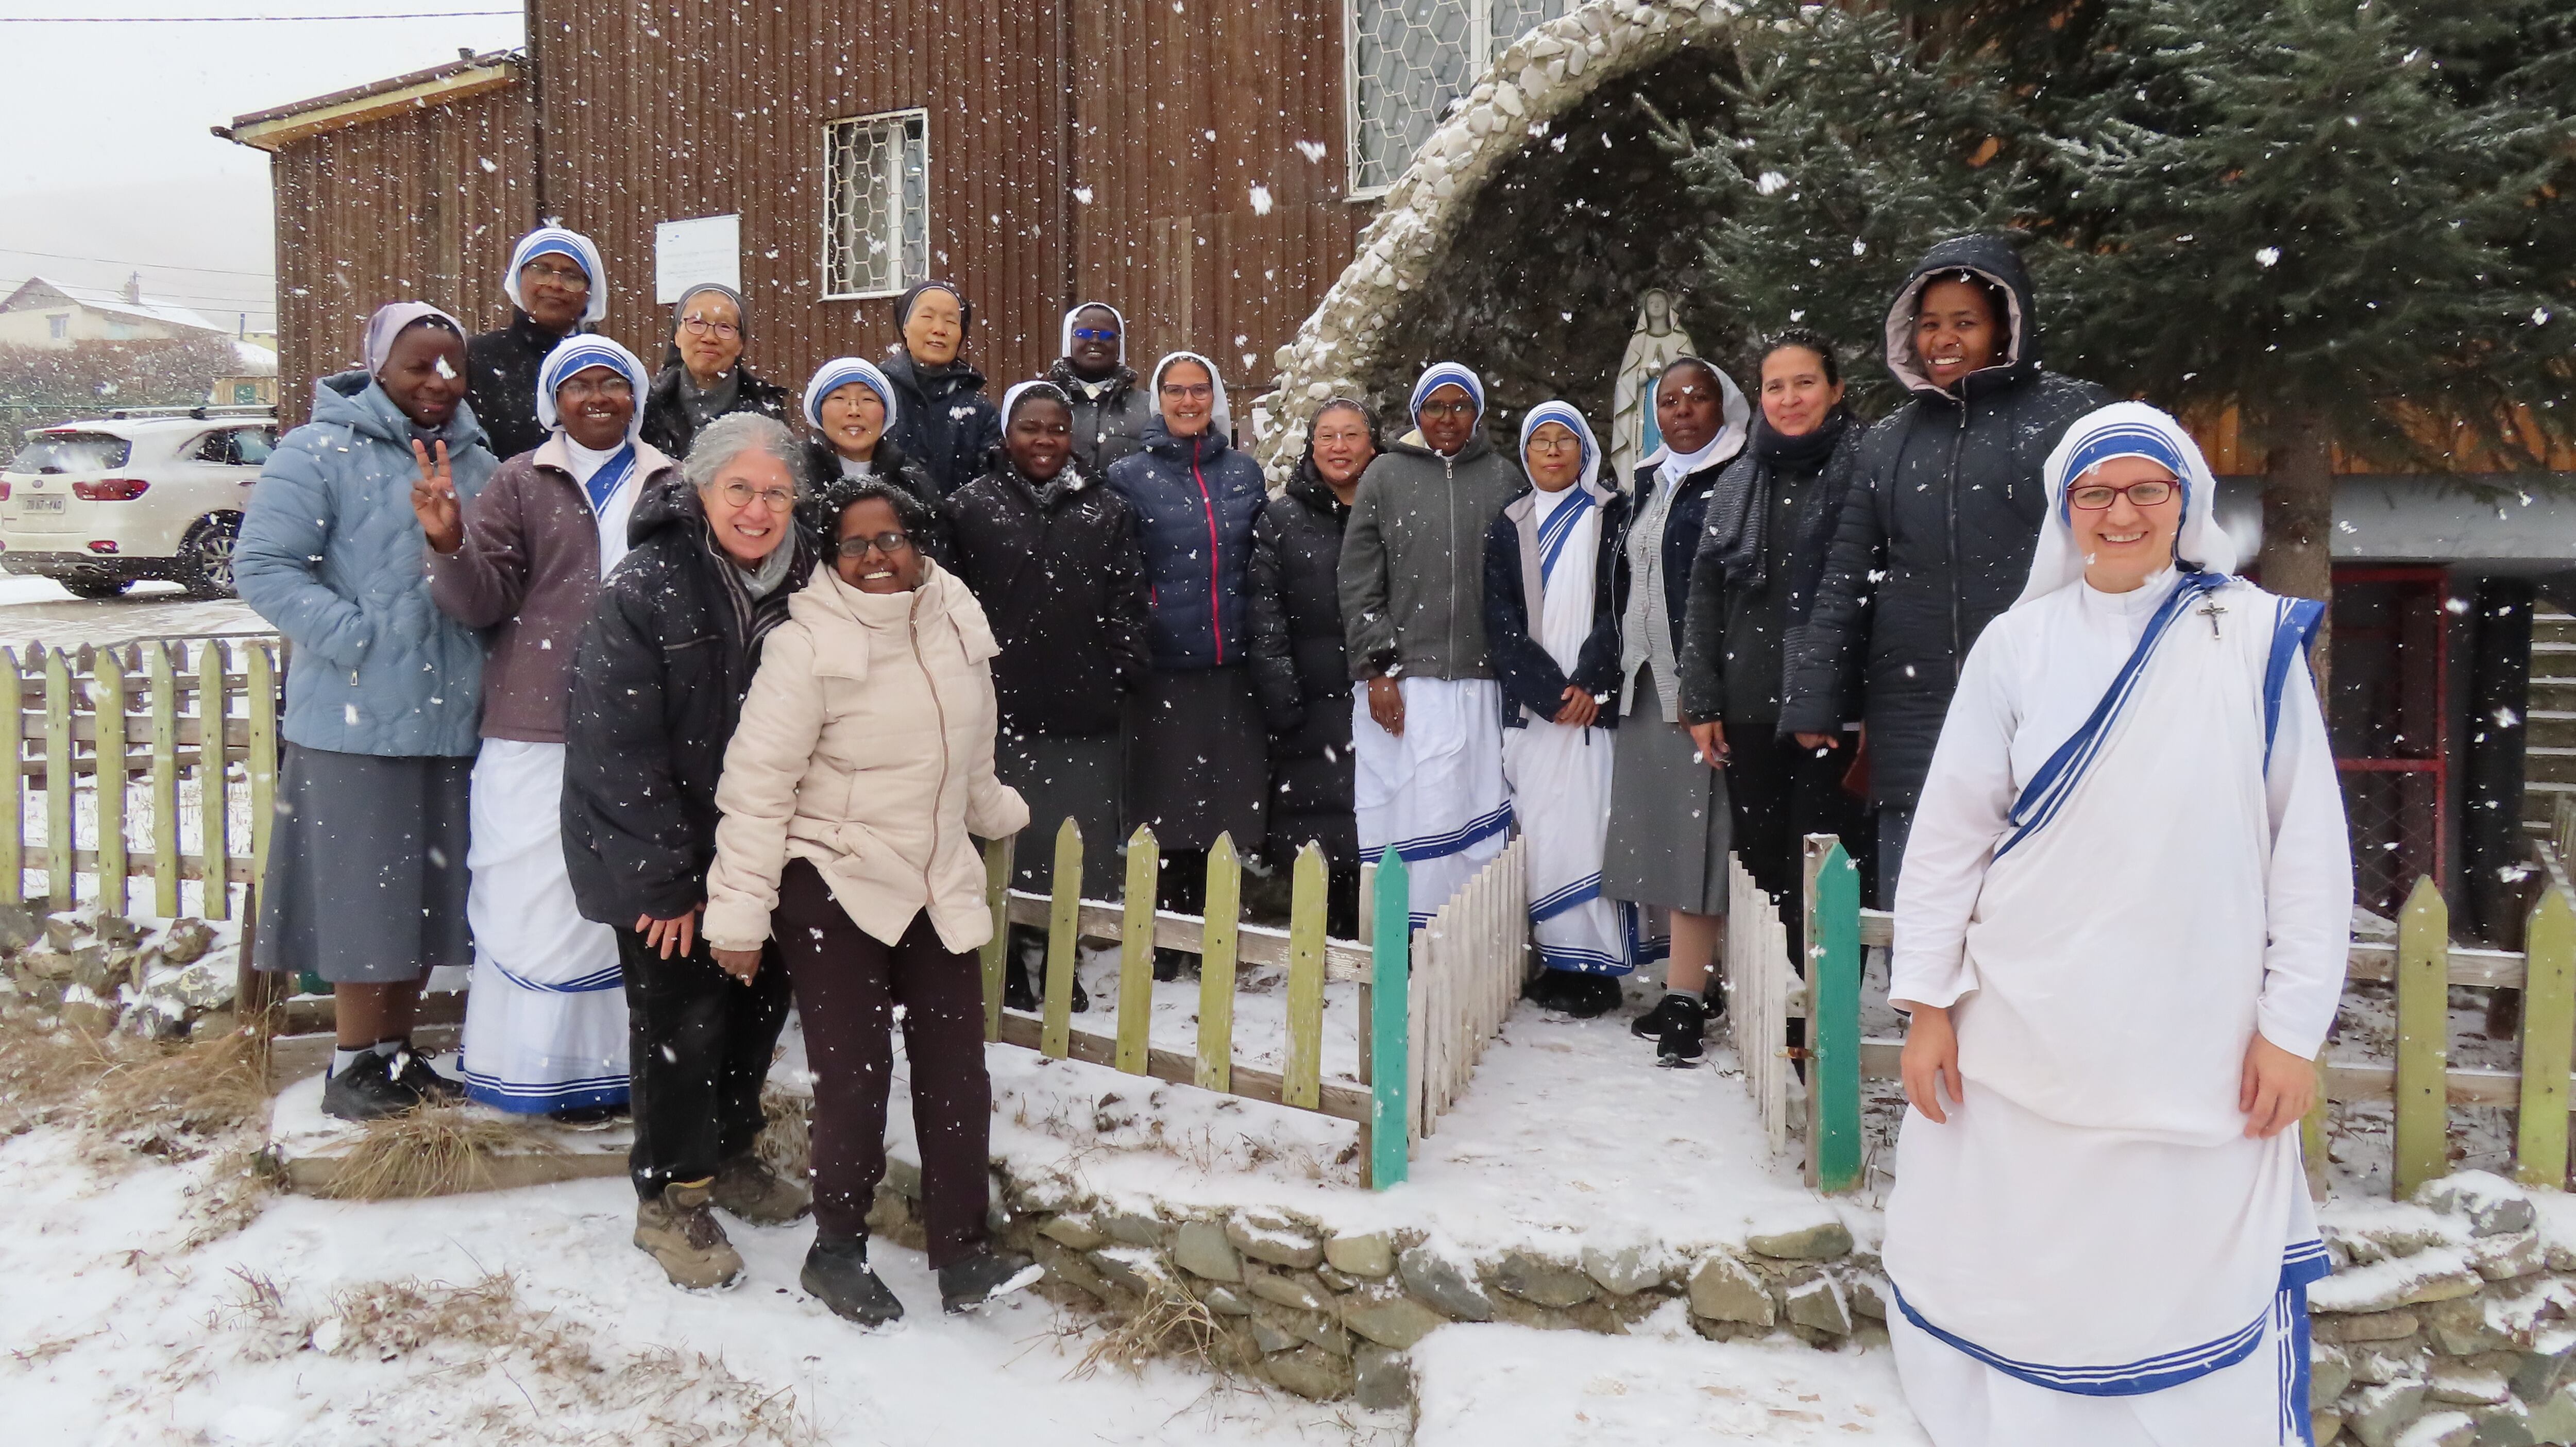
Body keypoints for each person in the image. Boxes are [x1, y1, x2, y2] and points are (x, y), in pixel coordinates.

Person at [1882, 402, 2347, 1445]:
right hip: (2022, 1032)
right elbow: (1951, 835)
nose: (2121, 511)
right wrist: (1928, 1007)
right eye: (2096, 491)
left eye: (2147, 488)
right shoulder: (2018, 645)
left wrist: (2291, 1028)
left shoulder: (2251, 636)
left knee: (2171, 1278)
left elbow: (2307, 850)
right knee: (2018, 1264)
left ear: (2185, 501)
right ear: (2065, 510)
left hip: (2196, 1040)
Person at [702, 480, 1043, 1326]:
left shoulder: (954, 619)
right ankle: (836, 1248)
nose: (876, 557)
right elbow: (756, 789)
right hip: (834, 870)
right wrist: (741, 912)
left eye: (889, 538)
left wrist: (990, 803)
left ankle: (961, 1252)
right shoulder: (803, 644)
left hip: (931, 870)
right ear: (828, 557)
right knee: (857, 1069)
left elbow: (968, 739)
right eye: (853, 545)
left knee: (957, 1068)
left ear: (918, 541)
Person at [563, 413, 819, 1292]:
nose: (757, 508)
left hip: (767, 844)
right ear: (700, 492)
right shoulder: (647, 584)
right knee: (679, 1022)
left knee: (754, 1005)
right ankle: (669, 1195)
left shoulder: (808, 584)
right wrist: (667, 881)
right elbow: (616, 744)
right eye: (738, 489)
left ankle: (732, 1149)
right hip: (662, 846)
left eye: (776, 491)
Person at [1780, 236, 2112, 906]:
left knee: (2040, 902)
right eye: (1930, 323)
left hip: (2045, 696)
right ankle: (1921, 1015)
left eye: (1965, 322)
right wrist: (1815, 694)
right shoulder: (1888, 443)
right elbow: (1847, 575)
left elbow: (2118, 542)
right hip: (1916, 708)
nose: (1944, 339)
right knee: (1924, 901)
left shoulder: (2069, 415)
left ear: (2003, 326)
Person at [234, 302, 495, 1121]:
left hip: (453, 716)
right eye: (420, 364)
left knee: (425, 892)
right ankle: (353, 1061)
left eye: (452, 367)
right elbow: (265, 567)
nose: (438, 382)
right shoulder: (318, 451)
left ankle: (396, 1052)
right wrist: (356, 638)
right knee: (364, 892)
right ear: (380, 366)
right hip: (354, 717)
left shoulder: (481, 462)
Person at [421, 334, 662, 1122]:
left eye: (614, 384)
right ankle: (525, 1067)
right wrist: (449, 541)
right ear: (552, 401)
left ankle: (614, 1070)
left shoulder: (672, 481)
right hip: (534, 722)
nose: (598, 397)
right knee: (533, 891)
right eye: (579, 385)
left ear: (636, 397)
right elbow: (479, 602)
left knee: (614, 899)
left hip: (639, 722)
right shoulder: (520, 481)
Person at [946, 380, 1151, 1009]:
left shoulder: (1105, 508)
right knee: (997, 843)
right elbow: (948, 605)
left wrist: (1119, 669)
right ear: (1006, 434)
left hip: (1080, 710)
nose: (1044, 441)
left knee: (1072, 848)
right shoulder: (969, 507)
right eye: (1030, 428)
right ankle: (1003, 959)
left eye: (1056, 429)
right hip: (994, 711)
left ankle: (1063, 963)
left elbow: (1129, 600)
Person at [1677, 329, 1870, 971]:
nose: (1789, 399)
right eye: (1774, 387)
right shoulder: (1738, 482)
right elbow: (1704, 600)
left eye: (1805, 383)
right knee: (1762, 864)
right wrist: (1700, 697)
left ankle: (1823, 1007)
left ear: (1836, 389)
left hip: (1834, 710)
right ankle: (1777, 1011)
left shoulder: (1867, 472)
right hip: (1748, 703)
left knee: (1828, 865)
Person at [1601, 356, 1752, 1065]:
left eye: (1698, 397)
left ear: (1725, 407)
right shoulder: (1648, 484)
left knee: (1701, 840)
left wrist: (1707, 688)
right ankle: (1695, 982)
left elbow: (1730, 592)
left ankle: (1688, 997)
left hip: (1698, 689)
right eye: (1669, 400)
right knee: (1667, 837)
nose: (1684, 410)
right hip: (1645, 682)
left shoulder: (1737, 479)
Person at [1337, 363, 1522, 928]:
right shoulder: (1385, 476)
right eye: (1435, 406)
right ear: (1416, 412)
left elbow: (1519, 585)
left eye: (1459, 405)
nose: (1447, 418)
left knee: (1473, 816)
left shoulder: (1503, 479)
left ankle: (1469, 939)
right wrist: (1378, 669)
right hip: (1404, 683)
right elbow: (1360, 578)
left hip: (1480, 681)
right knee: (1409, 813)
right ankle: (1408, 938)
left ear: (1478, 413)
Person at [1105, 352, 1270, 969]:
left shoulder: (1244, 474)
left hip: (1231, 662)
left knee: (1225, 801)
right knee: (1163, 804)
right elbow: (1121, 569)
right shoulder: (1129, 475)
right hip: (1164, 663)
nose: (1187, 401)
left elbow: (1259, 562)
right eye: (1174, 390)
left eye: (1198, 390)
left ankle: (1217, 933)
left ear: (1215, 398)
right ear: (1159, 399)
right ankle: (1167, 936)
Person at [1482, 402, 1633, 1014]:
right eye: (1539, 440)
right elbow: (1500, 619)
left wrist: (1591, 683)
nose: (1550, 450)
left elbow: (1620, 604)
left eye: (1562, 440)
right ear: (1524, 452)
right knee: (1545, 833)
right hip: (1538, 710)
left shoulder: (1611, 515)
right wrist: (1547, 692)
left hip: (1591, 709)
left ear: (1584, 451)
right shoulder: (1508, 522)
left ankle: (1597, 968)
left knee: (1591, 828)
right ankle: (1560, 957)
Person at [1249, 397, 1376, 939]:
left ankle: (1364, 921)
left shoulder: (1390, 509)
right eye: (1328, 436)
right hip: (1309, 695)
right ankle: (1320, 927)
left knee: (1370, 816)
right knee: (1313, 823)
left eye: (1351, 435)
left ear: (1372, 444)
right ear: (1311, 445)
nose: (1339, 447)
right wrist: (1281, 689)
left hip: (1377, 695)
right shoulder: (1282, 518)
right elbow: (1263, 611)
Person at [466, 226, 604, 462]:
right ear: (518, 278)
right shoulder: (476, 357)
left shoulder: (607, 362)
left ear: (590, 292)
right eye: (542, 270)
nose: (555, 285)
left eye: (572, 276)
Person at [797, 355, 944, 558]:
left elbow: (932, 562)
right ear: (819, 411)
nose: (854, 411)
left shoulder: (913, 483)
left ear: (885, 413)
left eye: (867, 399)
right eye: (839, 398)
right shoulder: (792, 476)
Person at [638, 283, 792, 459]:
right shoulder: (646, 404)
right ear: (677, 336)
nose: (710, 338)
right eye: (696, 323)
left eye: (725, 327)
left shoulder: (767, 410)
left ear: (740, 345)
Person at [880, 281, 1001, 498]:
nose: (939, 329)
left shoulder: (981, 413)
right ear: (905, 327)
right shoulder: (877, 398)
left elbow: (991, 488)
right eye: (927, 317)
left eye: (951, 321)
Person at [1048, 302, 1153, 477]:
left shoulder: (1148, 407)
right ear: (1069, 340)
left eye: (1107, 335)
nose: (1095, 341)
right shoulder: (1044, 402)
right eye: (1083, 334)